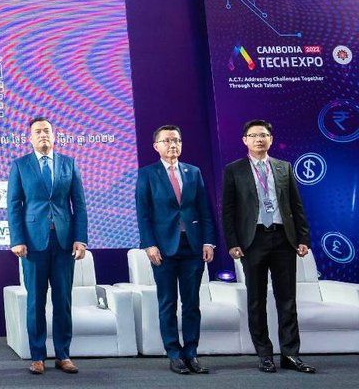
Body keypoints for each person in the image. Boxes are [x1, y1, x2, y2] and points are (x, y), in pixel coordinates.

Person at [221, 119, 315, 374]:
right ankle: (264, 354)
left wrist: (303, 238)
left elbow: (296, 205)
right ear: (245, 140)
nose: (259, 139)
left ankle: (290, 354)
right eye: (253, 136)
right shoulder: (234, 169)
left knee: (287, 300)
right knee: (256, 300)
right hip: (253, 241)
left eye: (263, 135)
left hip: (284, 239)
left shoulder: (284, 167)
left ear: (271, 140)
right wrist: (233, 243)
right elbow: (228, 210)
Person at [7, 117, 87, 375]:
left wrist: (80, 238)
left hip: (64, 243)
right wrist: (17, 240)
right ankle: (38, 356)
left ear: (54, 136)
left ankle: (63, 355)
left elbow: (79, 204)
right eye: (38, 131)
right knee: (35, 301)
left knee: (63, 301)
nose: (43, 135)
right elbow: (13, 205)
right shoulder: (20, 165)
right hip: (32, 244)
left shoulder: (68, 163)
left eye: (47, 131)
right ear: (30, 138)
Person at [135, 125, 215, 374]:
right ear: (156, 146)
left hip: (192, 246)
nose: (173, 145)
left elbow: (205, 210)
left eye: (177, 140)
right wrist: (149, 244)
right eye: (167, 140)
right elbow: (143, 213)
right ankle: (174, 353)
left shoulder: (193, 172)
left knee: (191, 303)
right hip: (163, 248)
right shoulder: (147, 174)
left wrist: (208, 241)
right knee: (168, 302)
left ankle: (191, 353)